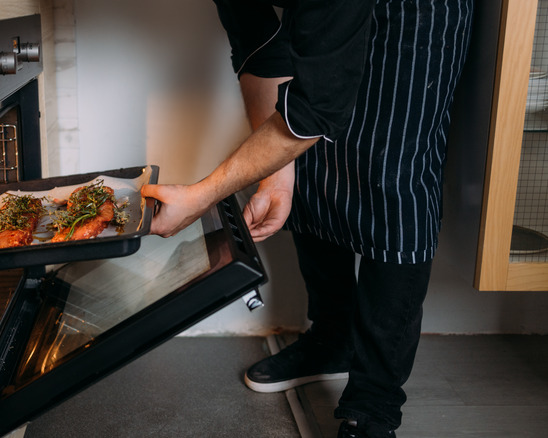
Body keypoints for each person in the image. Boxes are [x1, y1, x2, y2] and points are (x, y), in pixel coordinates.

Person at [141, 1, 474, 437]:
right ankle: (333, 339)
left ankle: (374, 403)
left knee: (396, 178)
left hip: (416, 18)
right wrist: (276, 176)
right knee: (310, 165)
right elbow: (259, 47)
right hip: (329, 16)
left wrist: (202, 195)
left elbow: (318, 107)